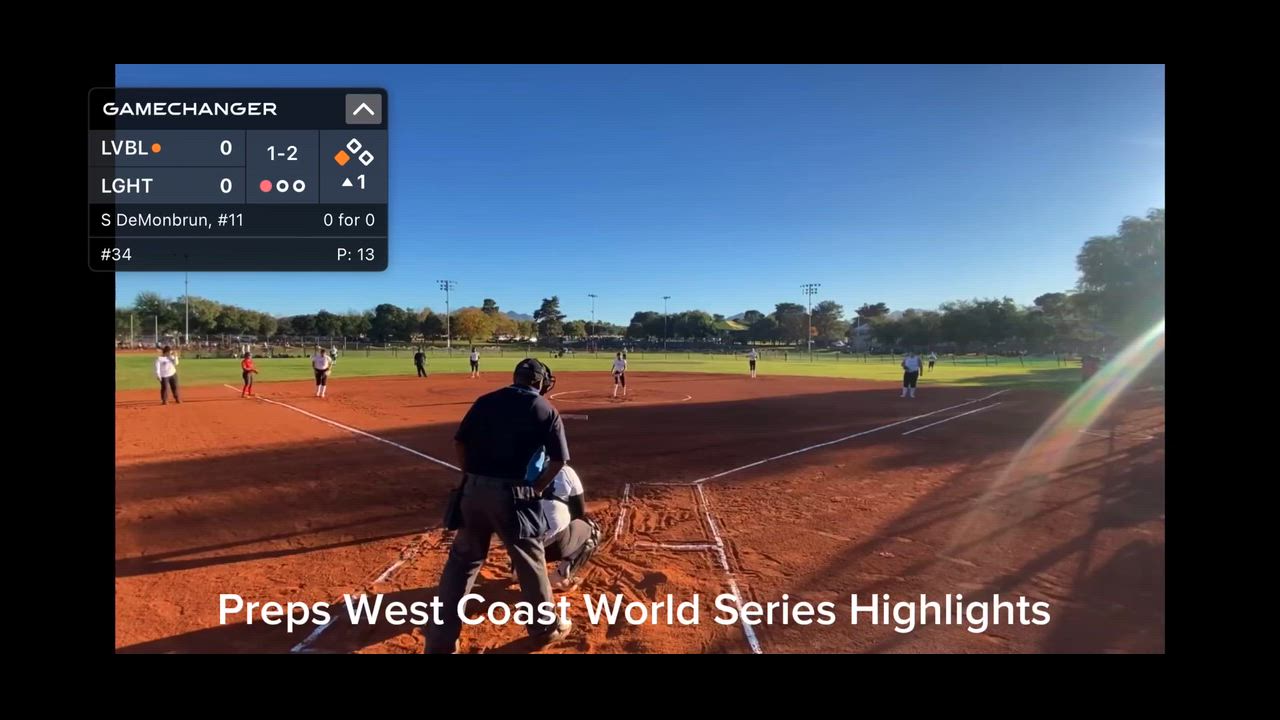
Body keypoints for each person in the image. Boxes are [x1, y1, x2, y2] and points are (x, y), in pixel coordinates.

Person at [426, 358, 573, 654]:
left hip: (473, 493)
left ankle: (440, 641)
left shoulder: (485, 401)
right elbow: (559, 460)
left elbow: (460, 443)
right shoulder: (544, 409)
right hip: (515, 495)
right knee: (530, 562)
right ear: (539, 382)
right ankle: (544, 629)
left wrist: (470, 476)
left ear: (516, 377)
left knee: (462, 563)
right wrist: (536, 488)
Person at [539, 465, 601, 591]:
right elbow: (578, 512)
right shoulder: (565, 471)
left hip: (518, 544)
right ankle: (561, 577)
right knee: (592, 528)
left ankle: (519, 569)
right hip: (551, 545)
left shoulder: (520, 467)